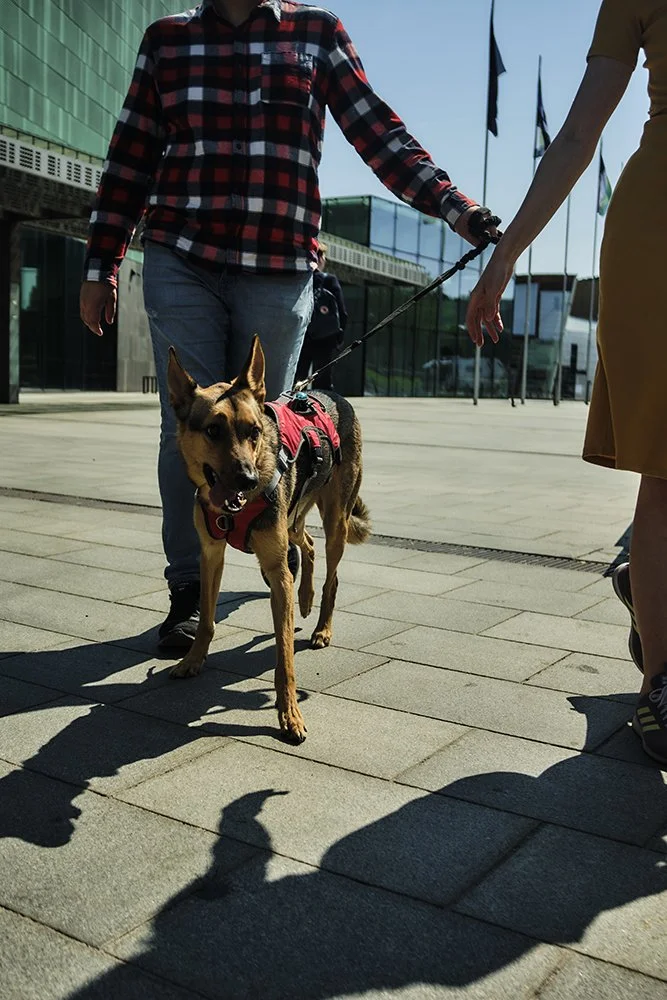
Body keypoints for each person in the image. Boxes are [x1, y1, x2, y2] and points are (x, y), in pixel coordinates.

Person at [80, 0, 497, 651]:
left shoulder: (315, 34)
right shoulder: (169, 40)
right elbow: (131, 156)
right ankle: (190, 587)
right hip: (179, 255)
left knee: (264, 422)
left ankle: (277, 536)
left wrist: (451, 205)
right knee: (186, 423)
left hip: (277, 266)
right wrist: (100, 261)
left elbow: (376, 132)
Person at [465, 0, 667, 765]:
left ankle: (649, 597)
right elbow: (577, 133)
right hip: (660, 234)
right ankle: (660, 686)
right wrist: (505, 252)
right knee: (666, 470)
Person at [295, 242, 347, 390]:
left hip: (302, 337)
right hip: (325, 339)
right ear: (320, 258)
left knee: (298, 379)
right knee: (322, 382)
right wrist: (338, 337)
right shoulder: (329, 280)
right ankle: (320, 411)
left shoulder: (301, 277)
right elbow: (342, 312)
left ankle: (296, 410)